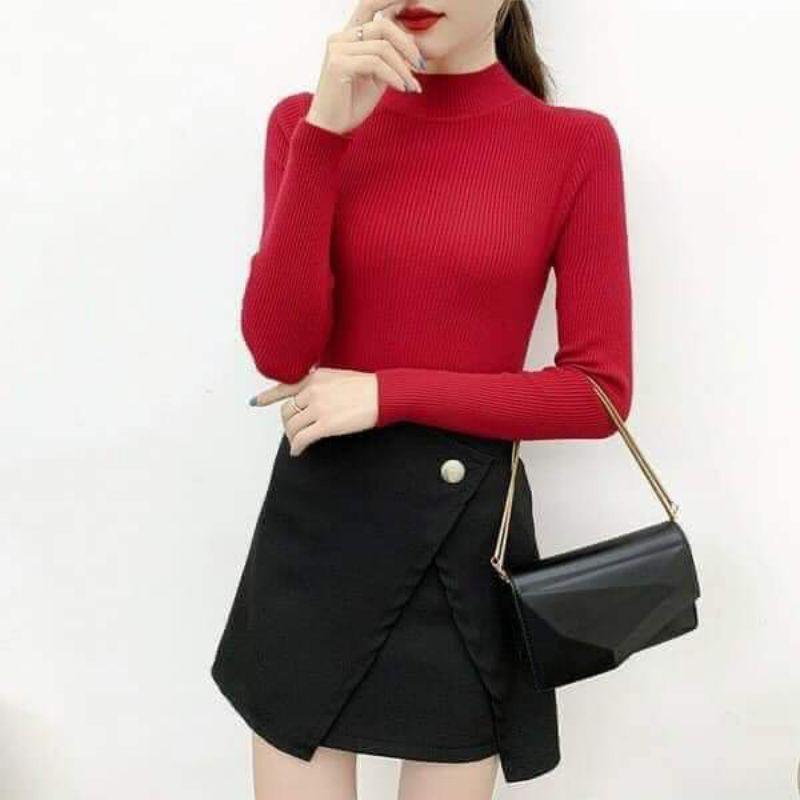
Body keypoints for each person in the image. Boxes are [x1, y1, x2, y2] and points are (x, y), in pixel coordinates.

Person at [210, 1, 633, 797]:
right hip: (318, 534)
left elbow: (599, 396)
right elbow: (280, 352)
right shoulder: (304, 121)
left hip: (463, 539)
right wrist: (327, 130)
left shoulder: (573, 144)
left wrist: (390, 393)